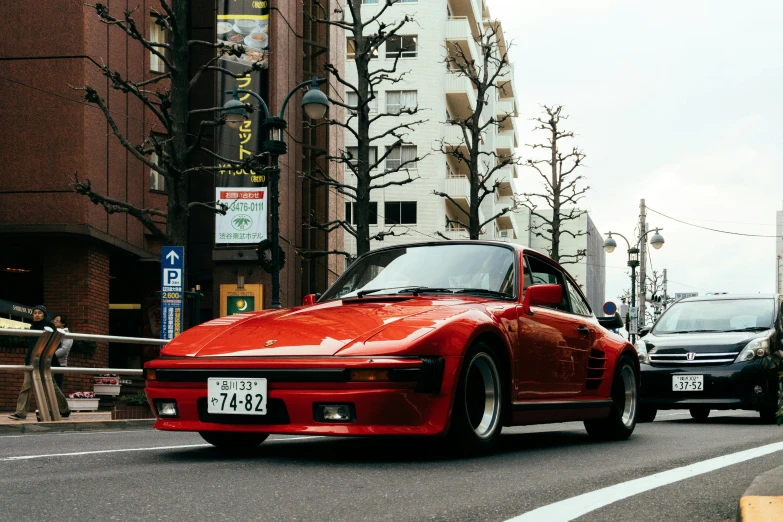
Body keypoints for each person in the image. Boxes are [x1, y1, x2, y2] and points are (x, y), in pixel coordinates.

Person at [8, 305, 71, 421]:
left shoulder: (49, 326)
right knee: (26, 386)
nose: (36, 315)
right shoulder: (33, 327)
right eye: (35, 313)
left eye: (39, 313)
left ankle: (65, 409)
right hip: (31, 361)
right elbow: (32, 346)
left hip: (44, 361)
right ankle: (20, 412)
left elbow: (54, 344)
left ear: (44, 315)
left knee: (52, 386)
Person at [52, 314, 72, 388]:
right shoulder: (53, 332)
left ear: (63, 323)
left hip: (59, 363)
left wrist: (50, 355)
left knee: (56, 387)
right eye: (54, 320)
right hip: (49, 362)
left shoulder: (67, 334)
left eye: (57, 320)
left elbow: (64, 350)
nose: (54, 322)